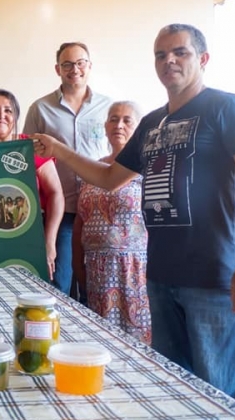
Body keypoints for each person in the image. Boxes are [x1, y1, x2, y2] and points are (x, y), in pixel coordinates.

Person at [33, 24, 235, 400]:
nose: (169, 61)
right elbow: (110, 176)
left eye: (180, 52)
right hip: (160, 278)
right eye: (161, 55)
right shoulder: (151, 124)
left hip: (215, 278)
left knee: (218, 393)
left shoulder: (227, 108)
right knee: (174, 388)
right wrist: (58, 149)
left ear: (203, 59)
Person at [22, 42, 113, 296]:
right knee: (58, 284)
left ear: (89, 66)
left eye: (80, 62)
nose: (75, 69)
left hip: (99, 211)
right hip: (61, 213)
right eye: (67, 64)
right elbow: (28, 159)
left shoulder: (108, 108)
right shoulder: (40, 109)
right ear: (57, 69)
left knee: (98, 285)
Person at [73, 101, 150, 343]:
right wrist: (79, 268)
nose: (119, 125)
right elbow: (80, 222)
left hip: (136, 272)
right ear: (105, 127)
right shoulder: (92, 169)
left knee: (139, 341)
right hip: (97, 272)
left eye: (127, 120)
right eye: (113, 119)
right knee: (101, 342)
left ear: (138, 129)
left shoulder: (148, 169)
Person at [0, 89, 65, 280]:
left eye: (8, 111)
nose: (2, 115)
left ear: (15, 118)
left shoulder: (33, 147)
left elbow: (56, 194)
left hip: (32, 235)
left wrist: (49, 243)